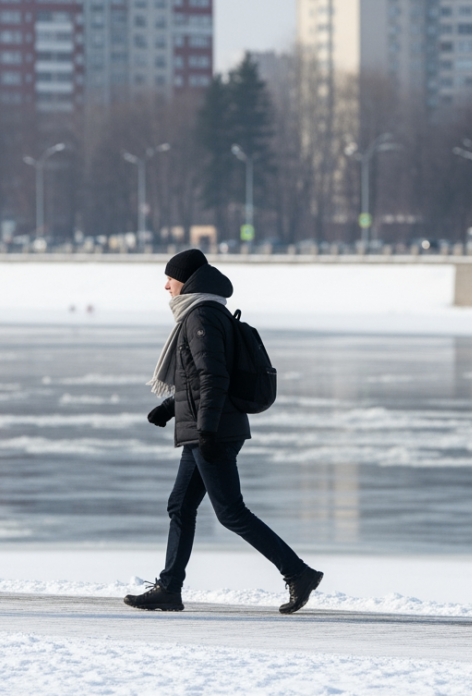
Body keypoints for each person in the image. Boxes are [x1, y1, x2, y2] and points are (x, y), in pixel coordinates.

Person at [125, 249, 323, 614]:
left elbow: (213, 378)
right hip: (206, 428)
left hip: (212, 432)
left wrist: (207, 431)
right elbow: (202, 379)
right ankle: (169, 587)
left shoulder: (200, 316)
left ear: (185, 281)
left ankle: (298, 573)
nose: (165, 285)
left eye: (170, 277)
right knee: (180, 506)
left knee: (231, 512)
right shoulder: (206, 313)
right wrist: (170, 409)